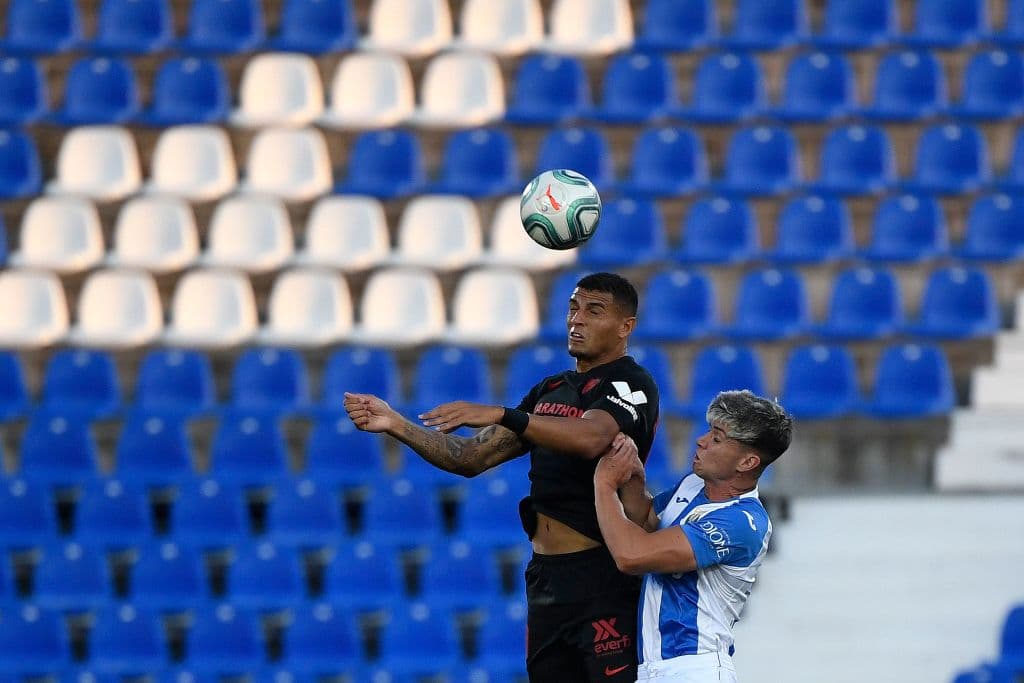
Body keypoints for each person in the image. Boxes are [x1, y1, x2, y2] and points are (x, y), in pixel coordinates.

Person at [344, 272, 660, 682]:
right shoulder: (550, 389)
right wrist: (396, 423)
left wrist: (501, 413)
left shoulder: (632, 383)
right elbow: (471, 457)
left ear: (625, 326)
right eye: (573, 307)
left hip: (601, 576)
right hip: (546, 578)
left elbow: (592, 437)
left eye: (593, 310)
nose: (576, 319)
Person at [593, 390, 793, 683]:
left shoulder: (742, 521)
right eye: (709, 431)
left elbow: (631, 555)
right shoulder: (692, 485)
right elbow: (647, 521)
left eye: (717, 438)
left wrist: (604, 485)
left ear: (747, 462)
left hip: (694, 667)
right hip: (656, 665)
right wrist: (633, 476)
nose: (701, 440)